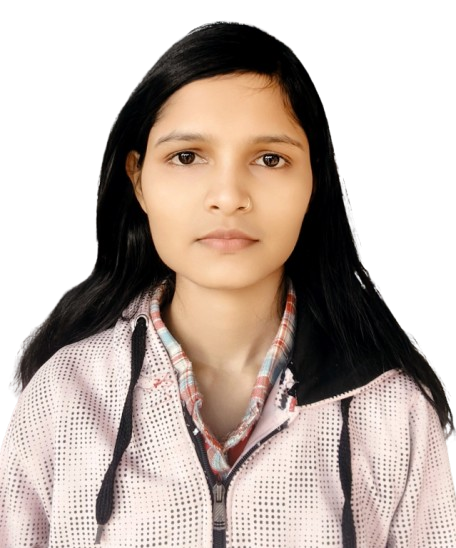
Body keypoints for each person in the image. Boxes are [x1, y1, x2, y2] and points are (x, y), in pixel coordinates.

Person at [1, 20, 454, 547]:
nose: (229, 196)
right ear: (138, 178)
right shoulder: (61, 398)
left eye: (270, 159)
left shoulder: (393, 412)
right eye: (187, 157)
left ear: (314, 181)